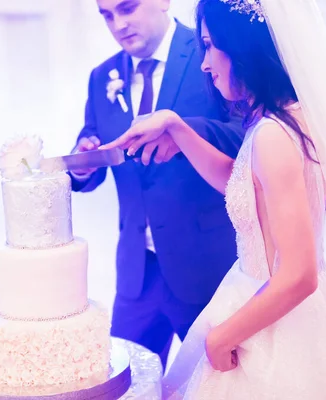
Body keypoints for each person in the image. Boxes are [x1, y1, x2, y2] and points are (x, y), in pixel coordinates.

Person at [102, 0, 326, 398]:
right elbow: (239, 182)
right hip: (273, 295)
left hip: (276, 310)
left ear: (242, 48)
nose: (204, 63)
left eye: (209, 46)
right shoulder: (286, 118)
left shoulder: (274, 134)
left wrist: (223, 336)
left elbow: (300, 274)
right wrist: (179, 129)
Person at [68, 0, 245, 368]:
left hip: (206, 263)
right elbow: (95, 140)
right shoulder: (102, 77)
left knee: (217, 379)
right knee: (125, 381)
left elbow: (246, 135)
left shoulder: (210, 54)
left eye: (127, 8)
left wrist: (181, 133)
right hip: (137, 273)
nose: (118, 24)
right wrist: (83, 160)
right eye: (107, 15)